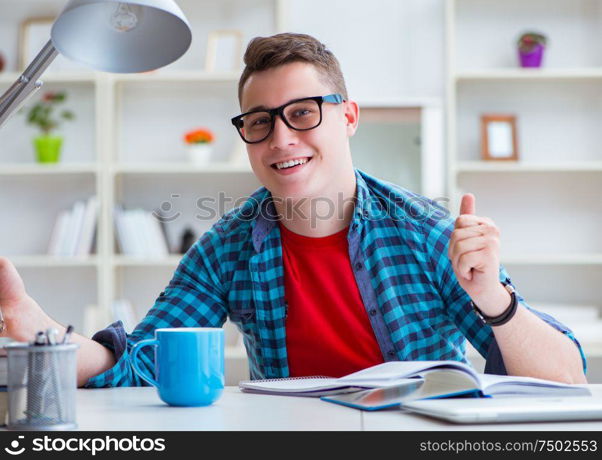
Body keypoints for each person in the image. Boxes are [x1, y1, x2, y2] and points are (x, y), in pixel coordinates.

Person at [0, 33, 586, 387]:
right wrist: (42, 332)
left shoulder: (430, 233)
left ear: (348, 117)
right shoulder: (226, 246)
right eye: (260, 122)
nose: (281, 139)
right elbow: (144, 361)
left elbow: (566, 378)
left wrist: (493, 300)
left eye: (303, 112)